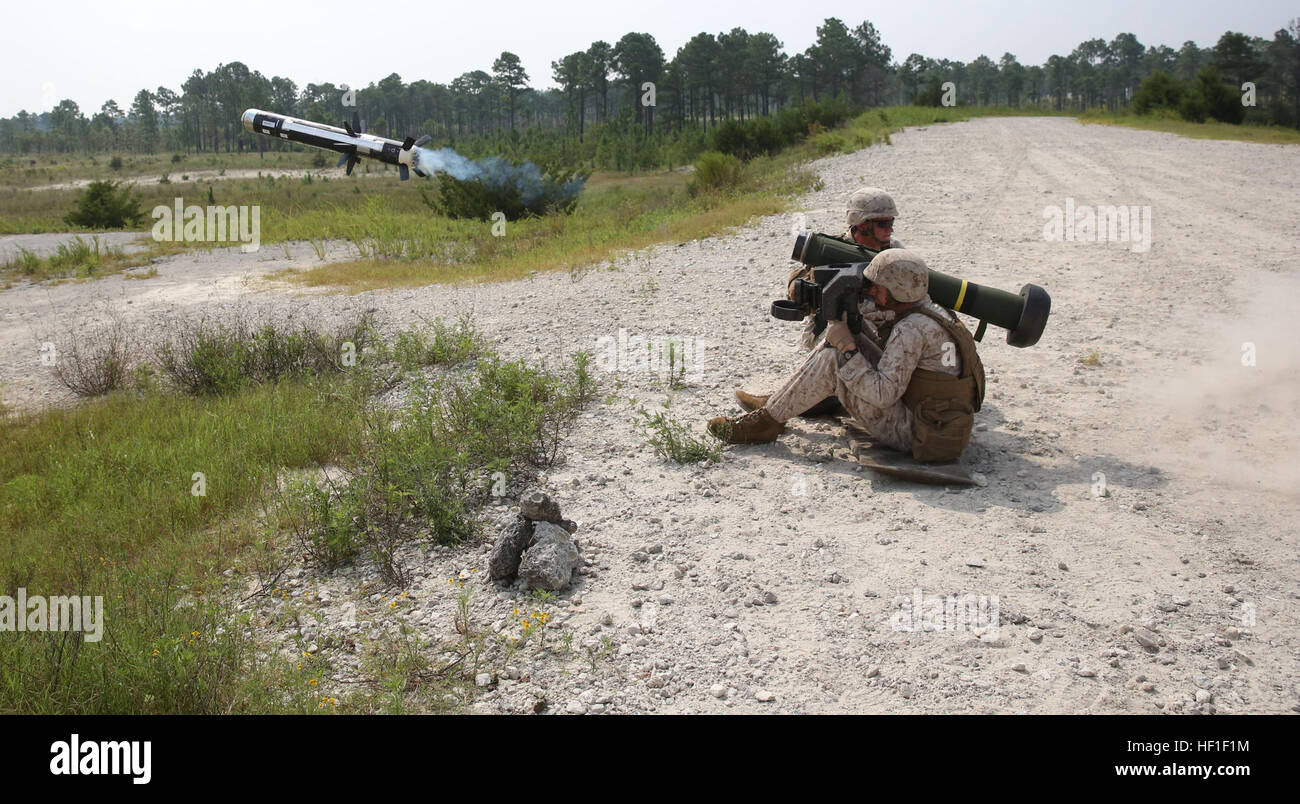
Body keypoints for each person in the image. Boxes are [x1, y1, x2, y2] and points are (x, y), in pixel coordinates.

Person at [707, 249, 985, 463]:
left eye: (878, 287)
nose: (872, 292)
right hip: (941, 424)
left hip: (918, 433)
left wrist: (848, 350)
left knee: (834, 358)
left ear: (898, 290)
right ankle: (778, 407)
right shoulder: (936, 313)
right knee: (852, 335)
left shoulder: (911, 329)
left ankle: (766, 422)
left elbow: (882, 395)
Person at [736, 187, 905, 417]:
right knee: (834, 340)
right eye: (883, 224)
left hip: (880, 333)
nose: (890, 229)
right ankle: (795, 399)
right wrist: (805, 290)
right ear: (862, 224)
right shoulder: (834, 251)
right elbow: (798, 284)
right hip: (837, 329)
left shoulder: (895, 252)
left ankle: (798, 400)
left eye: (891, 222)